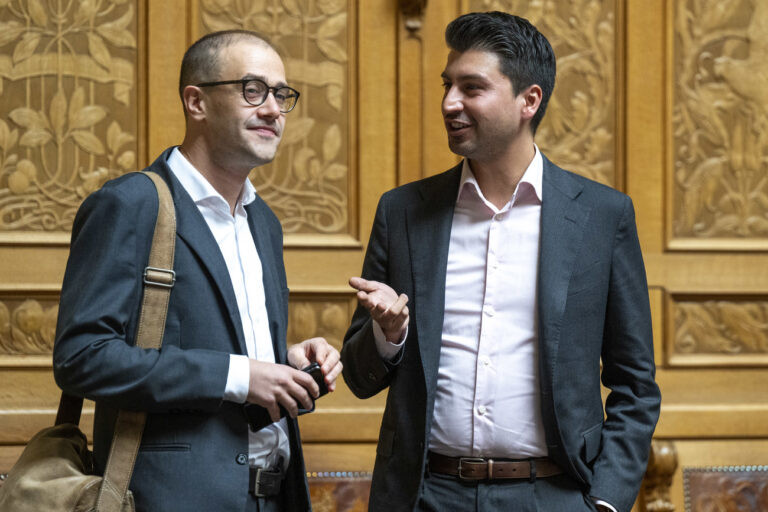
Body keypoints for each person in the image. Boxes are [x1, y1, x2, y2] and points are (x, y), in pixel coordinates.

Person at [341, 11, 660, 512]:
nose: (449, 103)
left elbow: (636, 383)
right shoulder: (402, 212)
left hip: (554, 495)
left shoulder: (602, 215)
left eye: (472, 87)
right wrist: (389, 335)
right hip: (425, 495)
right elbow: (360, 379)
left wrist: (605, 500)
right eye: (447, 85)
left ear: (528, 100)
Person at [53, 30, 342, 512]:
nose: (273, 109)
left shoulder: (263, 222)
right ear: (197, 102)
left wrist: (285, 366)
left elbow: (236, 360)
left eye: (282, 95)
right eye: (253, 90)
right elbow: (82, 357)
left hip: (274, 495)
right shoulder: (132, 204)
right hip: (169, 499)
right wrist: (238, 374)